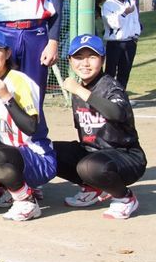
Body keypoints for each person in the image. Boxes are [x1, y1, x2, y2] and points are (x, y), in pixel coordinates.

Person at [56, 35, 146, 219]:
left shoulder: (110, 87)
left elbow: (116, 113)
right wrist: (79, 91)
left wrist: (80, 91)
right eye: (78, 57)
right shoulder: (78, 90)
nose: (85, 63)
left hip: (125, 156)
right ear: (70, 61)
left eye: (92, 57)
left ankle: (125, 198)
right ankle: (92, 188)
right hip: (93, 152)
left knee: (89, 166)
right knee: (49, 152)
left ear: (102, 59)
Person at [0, 28, 56, 222]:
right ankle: (13, 186)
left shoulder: (19, 81)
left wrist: (7, 98)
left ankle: (26, 200)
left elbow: (31, 127)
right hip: (10, 156)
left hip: (36, 157)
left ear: (8, 53)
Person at [101, 0, 140, 90]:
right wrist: (124, 13)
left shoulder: (131, 2)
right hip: (115, 42)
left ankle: (121, 94)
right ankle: (108, 94)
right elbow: (113, 23)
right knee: (111, 71)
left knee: (125, 71)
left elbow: (135, 21)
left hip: (130, 42)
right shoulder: (108, 5)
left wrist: (136, 35)